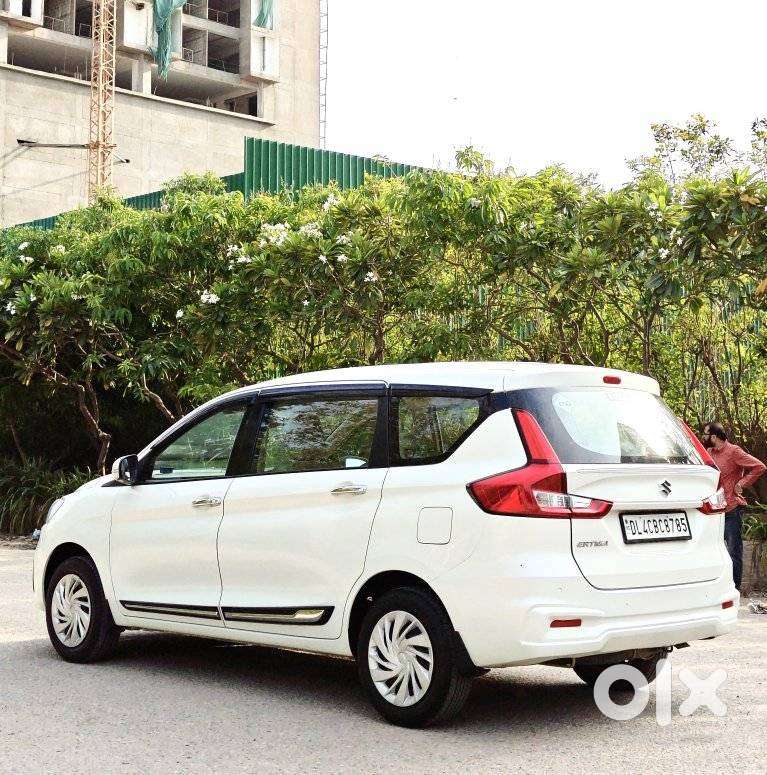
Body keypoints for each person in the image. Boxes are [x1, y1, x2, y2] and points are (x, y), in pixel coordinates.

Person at [702, 422, 766, 590]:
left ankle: (734, 590)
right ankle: (716, 588)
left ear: (714, 437)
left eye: (706, 434)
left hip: (732, 509)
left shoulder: (734, 451)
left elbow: (759, 466)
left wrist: (742, 483)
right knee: (713, 551)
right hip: (714, 510)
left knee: (733, 552)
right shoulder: (709, 452)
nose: (704, 437)